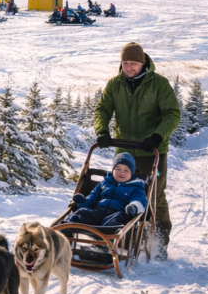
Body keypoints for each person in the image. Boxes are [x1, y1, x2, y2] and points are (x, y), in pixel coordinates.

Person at [94, 42, 181, 259]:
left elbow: (172, 113)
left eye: (133, 63)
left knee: (154, 197)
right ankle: (122, 237)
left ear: (143, 63)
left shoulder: (159, 84)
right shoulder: (115, 84)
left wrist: (157, 135)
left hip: (152, 152)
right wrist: (102, 130)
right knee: (119, 195)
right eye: (125, 63)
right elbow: (102, 108)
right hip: (124, 153)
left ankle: (158, 242)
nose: (129, 67)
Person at [67, 153, 147, 228]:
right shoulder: (105, 183)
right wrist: (82, 202)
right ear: (113, 171)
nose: (122, 172)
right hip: (98, 212)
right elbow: (92, 196)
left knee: (119, 219)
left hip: (117, 213)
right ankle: (65, 233)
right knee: (81, 213)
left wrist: (134, 207)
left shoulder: (136, 186)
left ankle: (109, 240)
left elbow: (139, 199)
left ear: (132, 173)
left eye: (126, 170)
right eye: (118, 169)